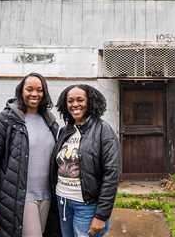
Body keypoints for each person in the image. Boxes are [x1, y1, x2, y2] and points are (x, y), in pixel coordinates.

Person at [0, 72, 60, 237]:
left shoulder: (49, 120)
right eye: (29, 89)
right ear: (21, 91)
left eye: (39, 90)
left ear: (44, 93)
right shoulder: (6, 119)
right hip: (20, 198)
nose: (34, 94)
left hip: (46, 197)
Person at [51, 84, 120, 237]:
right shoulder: (65, 131)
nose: (75, 104)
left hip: (87, 206)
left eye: (80, 100)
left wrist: (101, 215)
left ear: (90, 102)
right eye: (70, 101)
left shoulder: (103, 130)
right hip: (62, 200)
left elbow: (111, 174)